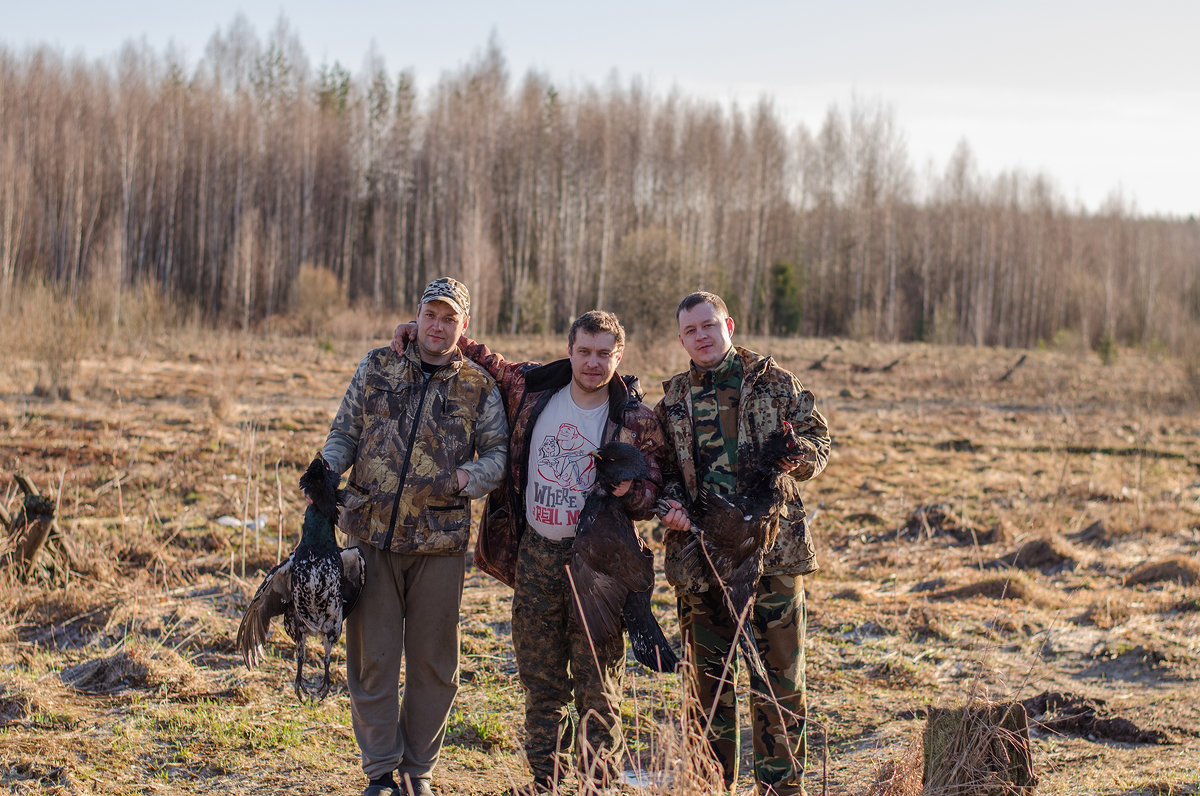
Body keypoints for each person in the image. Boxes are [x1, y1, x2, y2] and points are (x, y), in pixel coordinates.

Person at [392, 310, 664, 794]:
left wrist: (630, 491)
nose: (593, 363)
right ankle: (546, 781)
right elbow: (484, 359)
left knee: (598, 683)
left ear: (618, 356)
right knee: (541, 681)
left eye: (605, 354)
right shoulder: (532, 390)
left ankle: (598, 785)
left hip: (597, 568)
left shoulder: (635, 418)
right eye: (585, 351)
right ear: (570, 350)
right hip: (536, 553)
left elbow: (655, 489)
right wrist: (426, 332)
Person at [320, 277, 509, 796]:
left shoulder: (478, 386)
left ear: (463, 326)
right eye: (431, 314)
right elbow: (345, 432)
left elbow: (498, 454)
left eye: (450, 318)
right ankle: (381, 770)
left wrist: (465, 479)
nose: (438, 325)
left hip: (439, 543)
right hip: (368, 535)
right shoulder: (377, 366)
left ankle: (415, 773)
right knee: (372, 659)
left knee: (434, 664)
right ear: (417, 315)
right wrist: (325, 468)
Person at [657, 291, 830, 796]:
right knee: (707, 693)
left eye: (709, 325)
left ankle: (780, 790)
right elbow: (662, 472)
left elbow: (819, 444)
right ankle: (711, 788)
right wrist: (669, 506)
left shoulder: (775, 384)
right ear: (682, 338)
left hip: (773, 556)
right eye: (691, 331)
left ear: (728, 323)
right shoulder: (672, 401)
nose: (702, 336)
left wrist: (797, 459)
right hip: (701, 559)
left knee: (780, 686)